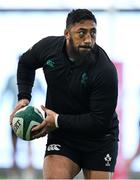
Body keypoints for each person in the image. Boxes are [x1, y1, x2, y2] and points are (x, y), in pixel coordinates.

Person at [10, 9, 119, 179]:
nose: (88, 39)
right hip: (63, 136)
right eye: (81, 33)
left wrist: (58, 120)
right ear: (67, 34)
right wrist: (24, 97)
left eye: (93, 32)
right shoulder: (49, 48)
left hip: (99, 139)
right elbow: (26, 63)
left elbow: (99, 121)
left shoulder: (105, 70)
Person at [0, 72, 44, 171]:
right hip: (15, 116)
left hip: (30, 115)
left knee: (29, 141)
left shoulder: (35, 80)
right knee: (14, 143)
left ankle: (30, 167)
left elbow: (43, 92)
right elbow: (4, 94)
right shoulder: (11, 79)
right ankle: (14, 166)